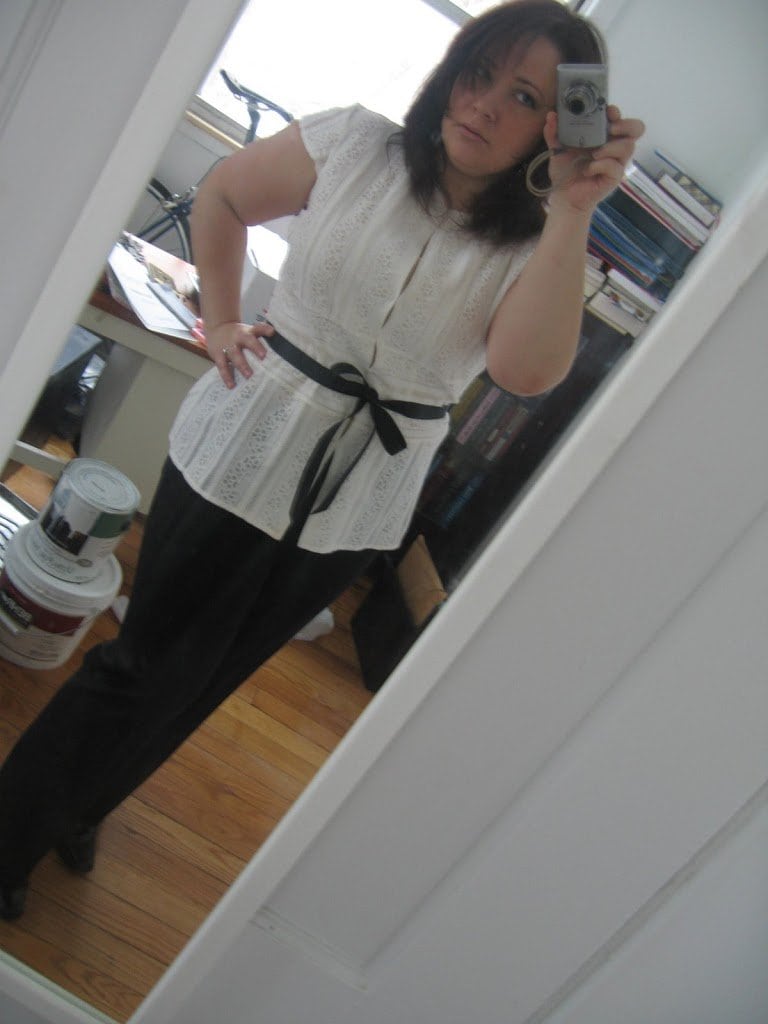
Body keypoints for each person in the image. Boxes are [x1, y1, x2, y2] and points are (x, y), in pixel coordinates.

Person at [0, 0, 644, 919]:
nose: (486, 105)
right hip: (242, 444)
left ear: (556, 126)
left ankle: (78, 807)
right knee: (143, 666)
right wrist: (222, 319)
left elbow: (525, 372)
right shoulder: (353, 144)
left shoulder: (539, 241)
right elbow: (223, 196)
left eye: (525, 97)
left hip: (359, 497)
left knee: (204, 685)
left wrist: (574, 212)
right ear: (452, 69)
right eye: (481, 73)